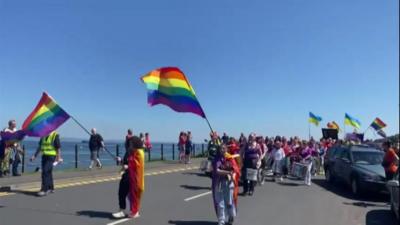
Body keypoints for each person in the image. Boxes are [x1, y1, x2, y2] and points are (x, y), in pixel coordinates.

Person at [113, 136, 145, 219]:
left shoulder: (138, 152)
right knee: (128, 194)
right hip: (130, 174)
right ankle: (132, 211)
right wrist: (121, 161)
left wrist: (127, 165)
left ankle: (125, 211)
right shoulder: (134, 151)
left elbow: (136, 163)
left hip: (132, 175)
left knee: (125, 192)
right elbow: (129, 161)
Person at [212, 144, 240, 225]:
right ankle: (221, 221)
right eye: (221, 148)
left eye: (224, 148)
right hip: (219, 183)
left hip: (228, 183)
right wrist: (228, 172)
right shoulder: (216, 159)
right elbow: (217, 170)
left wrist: (232, 174)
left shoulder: (230, 158)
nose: (222, 150)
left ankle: (231, 216)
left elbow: (235, 169)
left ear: (226, 149)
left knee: (229, 202)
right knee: (220, 204)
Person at [30, 131, 62, 196]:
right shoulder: (43, 135)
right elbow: (40, 147)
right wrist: (34, 156)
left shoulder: (54, 135)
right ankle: (51, 188)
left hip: (51, 156)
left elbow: (58, 148)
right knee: (48, 172)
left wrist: (58, 158)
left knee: (45, 171)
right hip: (44, 156)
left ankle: (44, 190)